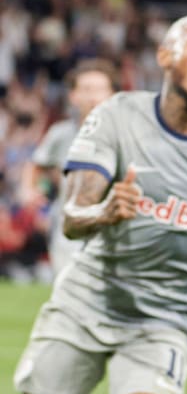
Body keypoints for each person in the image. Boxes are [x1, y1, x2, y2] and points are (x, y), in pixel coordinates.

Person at [13, 11, 187, 394]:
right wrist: (105, 211)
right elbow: (73, 219)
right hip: (88, 299)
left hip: (164, 317)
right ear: (165, 55)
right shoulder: (117, 116)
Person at [19, 58, 118, 278]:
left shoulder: (124, 137)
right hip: (68, 230)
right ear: (73, 96)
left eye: (100, 89)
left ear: (112, 95)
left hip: (110, 230)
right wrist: (28, 191)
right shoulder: (61, 134)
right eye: (86, 89)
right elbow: (35, 164)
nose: (93, 96)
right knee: (68, 290)